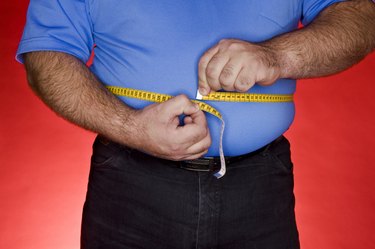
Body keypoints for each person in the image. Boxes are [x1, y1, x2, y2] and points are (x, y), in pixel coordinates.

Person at [16, 0, 375, 248]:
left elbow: (360, 17)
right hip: (130, 186)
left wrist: (276, 56)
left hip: (261, 187)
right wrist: (130, 127)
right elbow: (46, 53)